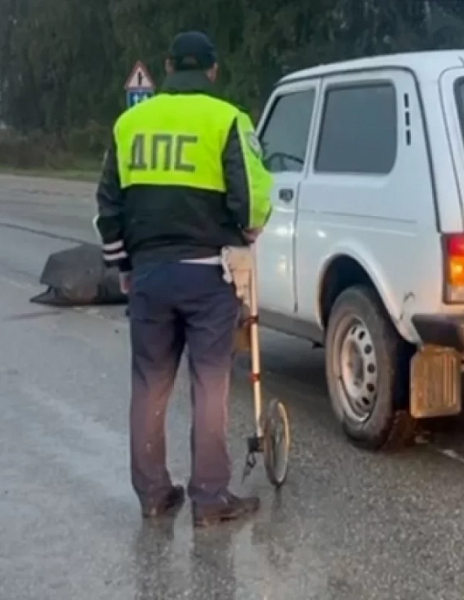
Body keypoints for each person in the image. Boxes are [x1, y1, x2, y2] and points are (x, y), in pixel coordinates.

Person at [93, 31, 273, 527]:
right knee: (209, 384)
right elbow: (253, 197)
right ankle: (210, 499)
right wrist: (247, 232)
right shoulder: (228, 119)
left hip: (150, 274)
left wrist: (124, 267)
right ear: (213, 70)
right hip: (208, 275)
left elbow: (108, 206)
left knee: (149, 384)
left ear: (168, 67)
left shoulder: (130, 124)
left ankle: (154, 495)